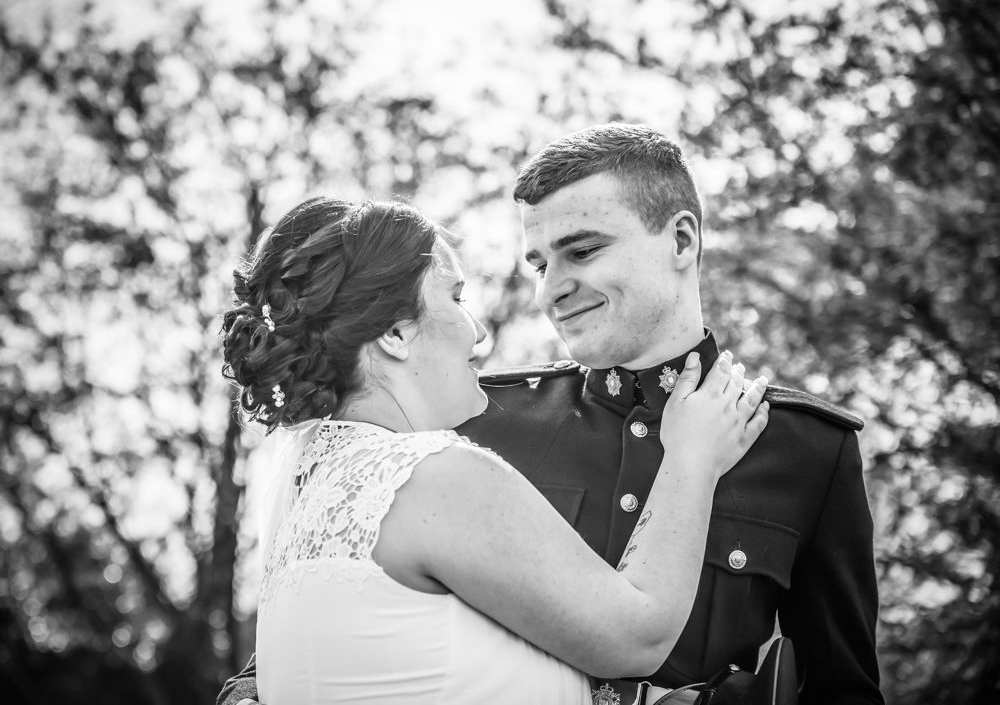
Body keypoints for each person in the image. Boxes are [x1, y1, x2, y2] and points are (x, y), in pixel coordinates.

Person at [219, 124, 883, 705]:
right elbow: (331, 626)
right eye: (539, 262)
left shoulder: (807, 448)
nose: (550, 287)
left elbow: (843, 688)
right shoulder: (463, 428)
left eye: (583, 250)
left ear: (681, 240)